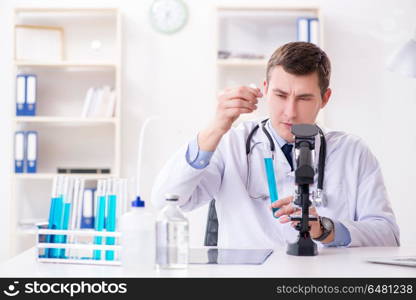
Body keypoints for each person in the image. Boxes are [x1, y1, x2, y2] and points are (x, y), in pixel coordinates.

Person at [151, 42, 400, 248]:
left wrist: (324, 228)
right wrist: (216, 127)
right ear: (265, 90)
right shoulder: (232, 143)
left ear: (325, 99)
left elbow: (388, 235)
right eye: (281, 96)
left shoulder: (352, 151)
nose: (290, 112)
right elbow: (165, 201)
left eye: (304, 98)